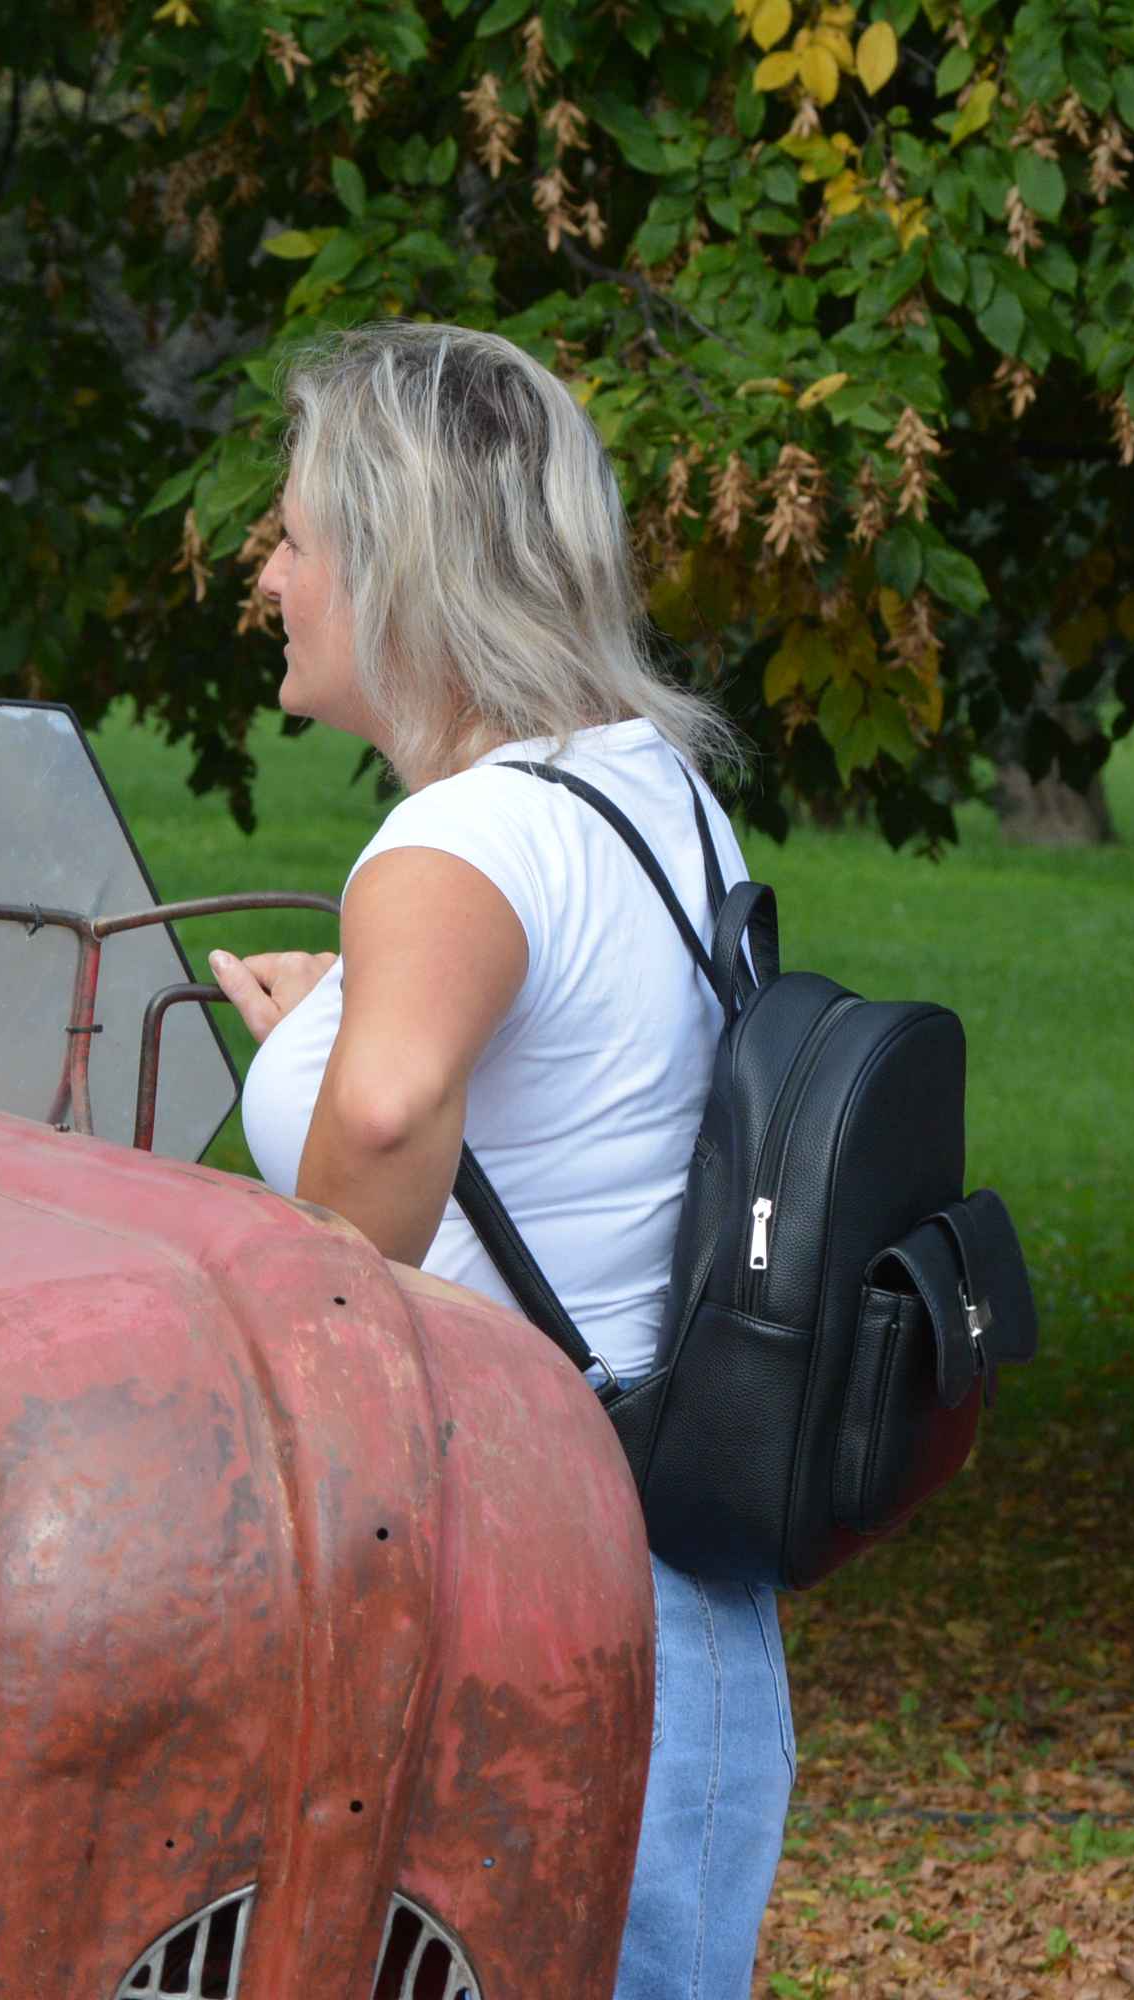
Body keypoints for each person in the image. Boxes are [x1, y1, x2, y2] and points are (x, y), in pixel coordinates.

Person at [210, 322, 784, 2000]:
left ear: (391, 567)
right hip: (673, 1561)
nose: (269, 574)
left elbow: (394, 1120)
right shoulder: (641, 784)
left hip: (507, 1584)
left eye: (296, 536)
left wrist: (294, 1367)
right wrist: (330, 1021)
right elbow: (579, 1071)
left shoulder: (453, 841)